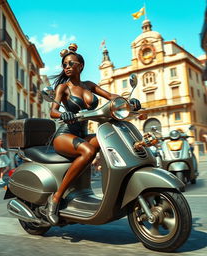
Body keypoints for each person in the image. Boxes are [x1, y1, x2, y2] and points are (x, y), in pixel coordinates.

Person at [47, 43, 141, 224]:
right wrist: (64, 114)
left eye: (70, 63)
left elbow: (112, 97)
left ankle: (114, 190)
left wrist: (129, 102)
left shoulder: (89, 85)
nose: (66, 67)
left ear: (80, 66)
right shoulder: (63, 88)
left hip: (82, 134)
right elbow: (53, 111)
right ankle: (56, 197)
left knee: (110, 141)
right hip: (64, 135)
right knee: (88, 151)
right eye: (64, 64)